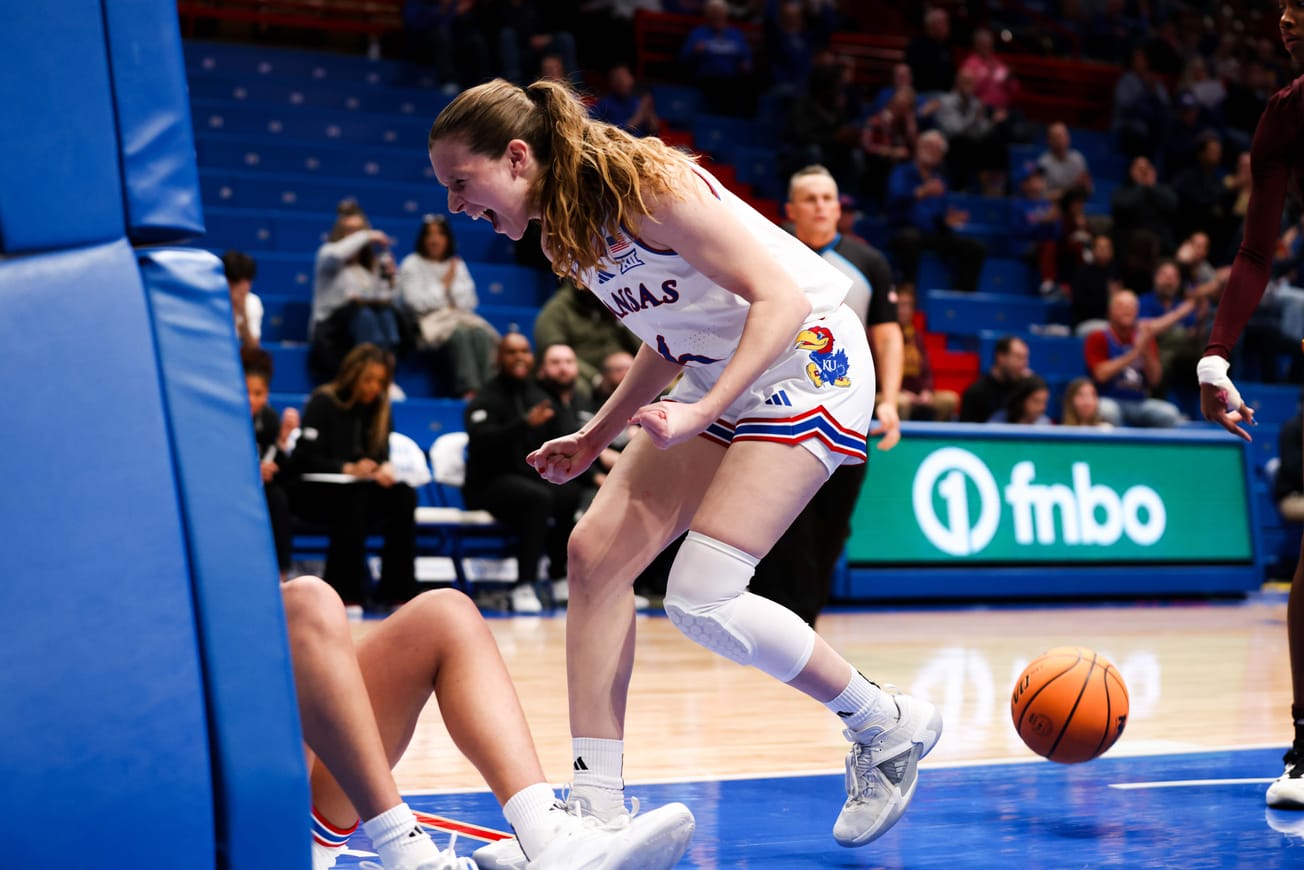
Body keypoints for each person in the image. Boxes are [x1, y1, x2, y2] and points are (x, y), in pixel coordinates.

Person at [428, 78, 942, 862]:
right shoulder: (569, 228)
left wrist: (701, 414)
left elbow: (776, 299)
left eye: (462, 183)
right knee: (595, 557)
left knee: (702, 597)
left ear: (519, 156)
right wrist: (595, 434)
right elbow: (669, 334)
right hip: (722, 368)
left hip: (810, 359)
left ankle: (883, 721)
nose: (457, 205)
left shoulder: (644, 185)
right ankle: (596, 809)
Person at [284, 576, 695, 870]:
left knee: (444, 612)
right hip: (240, 818)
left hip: (294, 798)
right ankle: (407, 854)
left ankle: (550, 840)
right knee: (305, 602)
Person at [1195, 0, 1304, 811]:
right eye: (1283, 7)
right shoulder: (1285, 117)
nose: (1288, 19)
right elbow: (1256, 251)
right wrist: (1214, 353)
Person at [747, 165, 904, 626]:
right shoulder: (767, 252)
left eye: (828, 198)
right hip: (777, 409)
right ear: (791, 210)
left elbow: (889, 336)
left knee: (833, 525)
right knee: (784, 524)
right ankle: (782, 623)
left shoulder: (868, 262)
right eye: (810, 199)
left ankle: (804, 624)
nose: (821, 206)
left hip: (848, 412)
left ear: (839, 206)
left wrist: (889, 400)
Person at [463, 333, 591, 614]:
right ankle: (524, 584)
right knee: (537, 499)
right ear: (499, 358)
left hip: (528, 478)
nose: (519, 357)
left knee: (570, 494)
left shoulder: (539, 396)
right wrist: (523, 424)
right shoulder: (487, 397)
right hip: (489, 483)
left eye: (524, 351)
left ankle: (559, 576)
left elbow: (564, 435)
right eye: (511, 352)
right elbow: (482, 440)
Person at [290, 344, 417, 608]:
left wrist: (382, 469)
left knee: (404, 495)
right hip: (315, 491)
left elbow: (380, 455)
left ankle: (396, 591)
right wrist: (345, 468)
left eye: (380, 382)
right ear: (353, 375)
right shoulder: (324, 401)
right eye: (368, 379)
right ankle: (345, 592)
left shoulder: (380, 409)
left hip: (358, 490)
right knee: (354, 497)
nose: (373, 387)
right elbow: (302, 459)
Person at [397, 214, 499, 398]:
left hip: (459, 317)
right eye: (430, 235)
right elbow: (415, 303)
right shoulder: (411, 264)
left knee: (480, 333)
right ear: (423, 239)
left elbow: (468, 301)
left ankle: (491, 392)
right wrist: (445, 284)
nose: (435, 240)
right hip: (428, 324)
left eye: (440, 234)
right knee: (459, 334)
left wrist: (445, 294)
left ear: (447, 238)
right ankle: (469, 391)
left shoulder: (456, 265)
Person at [310, 201, 406, 382]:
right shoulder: (328, 254)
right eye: (349, 230)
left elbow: (391, 300)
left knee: (386, 314)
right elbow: (339, 254)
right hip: (331, 332)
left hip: (368, 325)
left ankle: (385, 376)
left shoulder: (371, 266)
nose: (355, 236)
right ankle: (365, 375)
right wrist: (367, 234)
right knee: (363, 314)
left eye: (359, 230)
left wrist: (392, 280)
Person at [886, 130, 987, 293]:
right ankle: (907, 292)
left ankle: (962, 296)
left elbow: (939, 215)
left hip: (932, 233)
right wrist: (922, 192)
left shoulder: (939, 180)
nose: (932, 151)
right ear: (918, 147)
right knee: (909, 239)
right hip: (903, 228)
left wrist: (947, 220)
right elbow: (894, 199)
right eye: (928, 146)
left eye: (937, 149)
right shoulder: (902, 171)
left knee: (975, 248)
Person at [1084, 289, 1183, 428]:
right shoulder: (1098, 337)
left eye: (1131, 307)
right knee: (1107, 410)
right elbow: (1100, 375)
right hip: (1109, 398)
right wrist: (1134, 353)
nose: (1127, 310)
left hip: (1139, 402)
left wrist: (1146, 349)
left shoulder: (1145, 339)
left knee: (1169, 413)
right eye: (1122, 306)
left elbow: (1155, 379)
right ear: (1110, 310)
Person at [242, 347, 300, 581]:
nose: (252, 399)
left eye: (259, 393)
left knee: (278, 497)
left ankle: (280, 572)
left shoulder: (269, 418)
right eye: (246, 392)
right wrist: (251, 470)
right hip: (233, 485)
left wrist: (284, 439)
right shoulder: (223, 416)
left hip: (262, 488)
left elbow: (279, 468)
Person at [533, 277, 641, 389]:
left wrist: (624, 317)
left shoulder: (613, 300)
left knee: (656, 382)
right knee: (579, 387)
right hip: (587, 374)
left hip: (624, 368)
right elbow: (555, 356)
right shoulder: (557, 310)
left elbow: (642, 342)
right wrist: (595, 378)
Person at [894, 286, 958, 421]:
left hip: (918, 394)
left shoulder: (917, 337)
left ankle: (935, 441)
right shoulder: (883, 336)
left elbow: (927, 372)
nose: (904, 310)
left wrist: (926, 392)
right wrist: (901, 392)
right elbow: (878, 374)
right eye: (900, 305)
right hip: (891, 393)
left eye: (908, 306)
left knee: (949, 400)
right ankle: (900, 441)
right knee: (902, 402)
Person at [959, 335, 1029, 423]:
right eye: (1018, 357)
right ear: (1001, 357)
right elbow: (966, 433)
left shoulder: (1024, 389)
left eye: (1025, 358)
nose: (1024, 364)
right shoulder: (975, 393)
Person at [223, 249, 264, 348]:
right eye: (238, 282)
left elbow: (253, 348)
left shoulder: (252, 302)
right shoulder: (211, 300)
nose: (245, 287)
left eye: (248, 281)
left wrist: (242, 312)